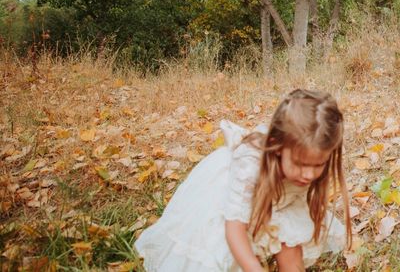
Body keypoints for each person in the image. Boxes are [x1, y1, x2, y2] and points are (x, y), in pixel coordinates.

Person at [135, 89, 352, 271]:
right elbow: (234, 229)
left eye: (317, 165)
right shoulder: (249, 163)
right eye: (300, 164)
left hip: (281, 197)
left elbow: (291, 212)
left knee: (290, 237)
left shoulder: (305, 162)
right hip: (234, 201)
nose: (309, 174)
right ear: (278, 147)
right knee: (222, 252)